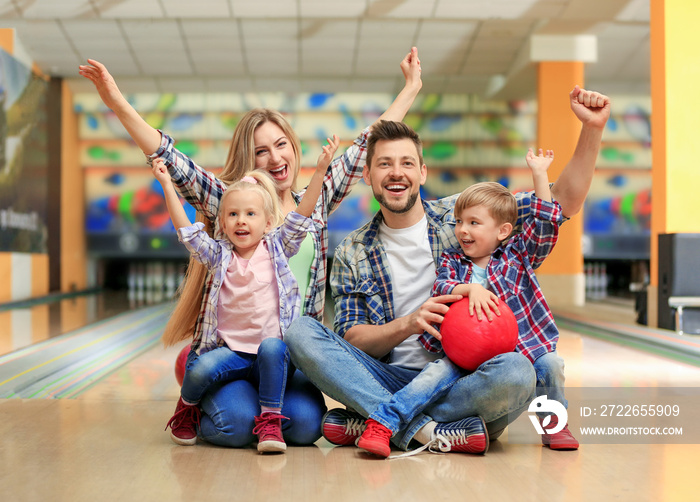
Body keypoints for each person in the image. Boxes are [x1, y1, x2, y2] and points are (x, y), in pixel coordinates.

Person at [78, 48, 422, 447]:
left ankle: (221, 387)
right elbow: (170, 158)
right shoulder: (231, 203)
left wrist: (411, 88)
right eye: (262, 151)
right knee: (236, 427)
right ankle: (206, 380)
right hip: (236, 352)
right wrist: (115, 100)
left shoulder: (318, 197)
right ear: (250, 157)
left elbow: (367, 144)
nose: (275, 158)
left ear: (293, 147)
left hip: (286, 357)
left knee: (308, 427)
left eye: (281, 145)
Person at [285, 87, 611, 455]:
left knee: (519, 370)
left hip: (465, 379)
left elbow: (558, 202)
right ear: (368, 174)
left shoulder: (464, 218)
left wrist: (593, 129)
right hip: (389, 378)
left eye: (407, 163)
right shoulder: (352, 251)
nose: (397, 173)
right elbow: (352, 340)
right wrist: (409, 323)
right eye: (384, 163)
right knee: (299, 332)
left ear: (422, 172)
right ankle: (430, 430)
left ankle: (380, 420)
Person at [355, 147, 579, 457]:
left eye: (474, 223)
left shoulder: (518, 255)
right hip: (462, 355)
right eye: (459, 221)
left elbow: (545, 225)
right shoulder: (452, 260)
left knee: (552, 364)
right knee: (432, 374)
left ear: (502, 231)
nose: (462, 229)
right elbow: (442, 285)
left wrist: (540, 175)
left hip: (518, 353)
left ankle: (553, 423)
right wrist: (468, 289)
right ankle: (386, 421)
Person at [155, 135, 339, 451]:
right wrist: (167, 186)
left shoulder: (279, 247)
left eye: (251, 214)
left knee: (272, 347)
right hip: (233, 352)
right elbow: (186, 230)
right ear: (222, 224)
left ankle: (270, 423)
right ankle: (187, 409)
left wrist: (321, 168)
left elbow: (303, 212)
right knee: (199, 367)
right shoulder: (218, 255)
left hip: (273, 357)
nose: (242, 221)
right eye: (233, 215)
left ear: (268, 222)